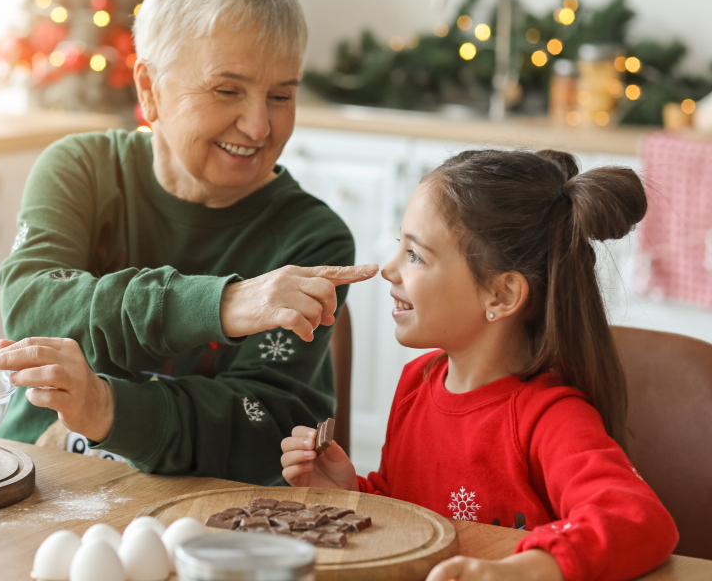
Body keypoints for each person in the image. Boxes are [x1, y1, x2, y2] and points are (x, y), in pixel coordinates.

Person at [0, 0, 377, 485]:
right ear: (150, 90)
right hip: (43, 483)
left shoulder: (311, 236)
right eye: (227, 90)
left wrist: (107, 408)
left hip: (205, 514)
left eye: (281, 95)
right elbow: (32, 309)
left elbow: (266, 426)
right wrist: (222, 304)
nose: (260, 125)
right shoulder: (81, 170)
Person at [280, 149, 678, 581]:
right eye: (400, 246)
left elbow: (637, 518)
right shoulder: (417, 382)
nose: (389, 269)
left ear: (501, 295)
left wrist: (525, 571)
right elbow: (411, 509)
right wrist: (351, 493)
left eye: (415, 255)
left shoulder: (551, 417)